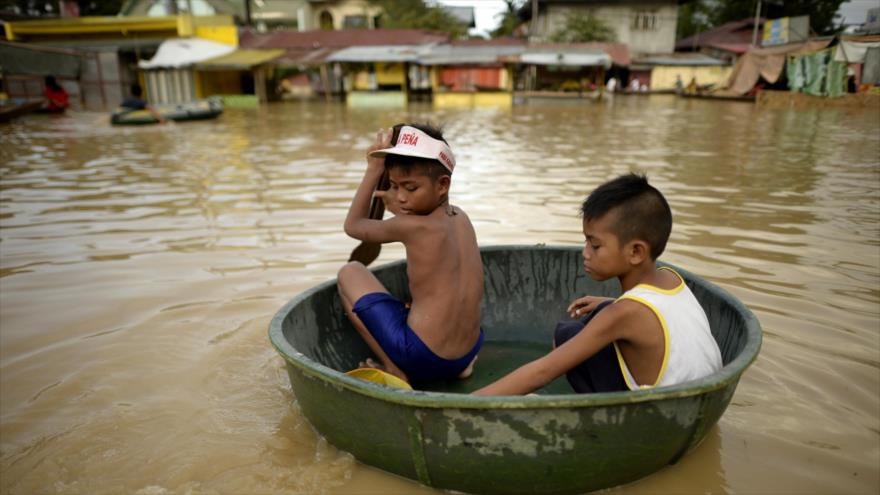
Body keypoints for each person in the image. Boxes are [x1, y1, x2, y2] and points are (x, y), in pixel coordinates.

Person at [474, 174, 722, 396]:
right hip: (707, 396)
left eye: (595, 245)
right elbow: (658, 316)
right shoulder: (671, 278)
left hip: (659, 413)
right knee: (600, 313)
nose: (585, 253)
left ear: (636, 251)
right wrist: (609, 303)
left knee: (566, 335)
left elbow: (544, 371)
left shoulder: (623, 314)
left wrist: (471, 403)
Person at [337, 124, 484, 385]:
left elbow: (353, 226)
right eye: (394, 186)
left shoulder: (411, 227)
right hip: (468, 353)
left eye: (411, 188)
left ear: (442, 185)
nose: (401, 197)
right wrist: (404, 206)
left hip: (424, 359)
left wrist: (374, 169)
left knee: (350, 272)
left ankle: (395, 369)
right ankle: (460, 369)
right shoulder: (462, 218)